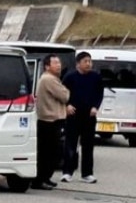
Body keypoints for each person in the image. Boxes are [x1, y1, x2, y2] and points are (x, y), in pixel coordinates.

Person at [61, 50, 104, 184]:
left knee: (88, 145)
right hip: (73, 115)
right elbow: (62, 93)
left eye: (90, 61)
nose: (88, 64)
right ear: (78, 64)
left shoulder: (96, 77)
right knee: (70, 145)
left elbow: (99, 94)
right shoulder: (70, 77)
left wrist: (95, 107)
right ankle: (67, 172)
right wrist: (67, 105)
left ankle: (87, 174)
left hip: (89, 116)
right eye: (85, 61)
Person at [33, 54, 69, 189]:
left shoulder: (51, 78)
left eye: (59, 62)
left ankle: (45, 178)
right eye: (55, 63)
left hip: (49, 120)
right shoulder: (49, 79)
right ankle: (40, 179)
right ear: (47, 66)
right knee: (48, 152)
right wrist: (66, 90)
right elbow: (65, 96)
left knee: (51, 152)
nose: (59, 65)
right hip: (50, 120)